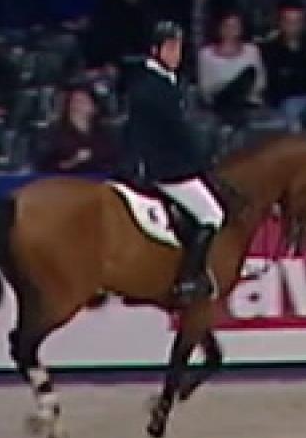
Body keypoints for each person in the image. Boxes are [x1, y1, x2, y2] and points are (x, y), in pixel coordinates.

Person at [122, 22, 220, 305]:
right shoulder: (151, 87)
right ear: (155, 50)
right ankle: (189, 279)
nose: (177, 53)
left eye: (179, 47)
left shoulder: (167, 81)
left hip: (170, 163)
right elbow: (175, 133)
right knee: (212, 216)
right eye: (171, 47)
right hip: (167, 168)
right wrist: (200, 161)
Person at [34, 84, 118, 175]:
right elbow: (45, 167)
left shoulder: (104, 134)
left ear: (94, 107)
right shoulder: (54, 134)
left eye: (84, 101)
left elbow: (113, 163)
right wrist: (73, 161)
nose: (79, 105)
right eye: (76, 101)